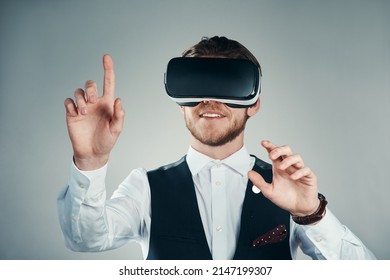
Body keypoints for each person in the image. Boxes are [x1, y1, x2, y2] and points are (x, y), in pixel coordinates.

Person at [57, 36, 375, 260]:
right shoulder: (146, 187)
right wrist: (91, 160)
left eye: (227, 86)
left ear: (254, 103)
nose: (211, 101)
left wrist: (311, 215)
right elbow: (85, 238)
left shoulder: (288, 189)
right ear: (180, 104)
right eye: (197, 86)